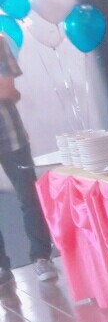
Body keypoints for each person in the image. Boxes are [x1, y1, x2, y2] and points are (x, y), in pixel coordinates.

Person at [0, 36, 57, 284]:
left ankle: (41, 257)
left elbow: (6, 89)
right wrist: (9, 93)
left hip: (11, 135)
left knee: (30, 198)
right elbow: (8, 92)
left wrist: (9, 92)